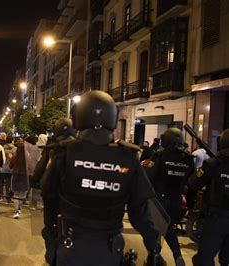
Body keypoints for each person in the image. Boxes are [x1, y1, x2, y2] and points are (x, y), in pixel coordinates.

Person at [43, 91, 165, 265]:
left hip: (70, 247)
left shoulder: (64, 152)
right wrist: (153, 248)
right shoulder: (128, 157)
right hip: (109, 251)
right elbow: (140, 212)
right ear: (113, 120)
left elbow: (49, 197)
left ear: (78, 119)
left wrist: (49, 237)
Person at [142, 128, 195, 266]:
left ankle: (154, 257)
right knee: (169, 227)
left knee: (154, 229)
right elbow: (192, 182)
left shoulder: (160, 155)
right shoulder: (188, 159)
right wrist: (190, 204)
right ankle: (177, 255)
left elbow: (147, 176)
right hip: (176, 200)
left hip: (158, 199)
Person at [31, 117, 75, 264]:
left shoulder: (52, 148)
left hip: (52, 198)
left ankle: (52, 257)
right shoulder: (80, 147)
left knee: (49, 229)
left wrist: (34, 182)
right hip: (73, 201)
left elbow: (38, 171)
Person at [189, 129, 229, 266]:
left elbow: (193, 183)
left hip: (216, 219)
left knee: (204, 259)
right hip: (217, 216)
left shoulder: (213, 164)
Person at [9, 137, 28, 218]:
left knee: (16, 194)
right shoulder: (27, 158)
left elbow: (10, 166)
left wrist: (11, 158)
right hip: (24, 176)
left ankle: (16, 211)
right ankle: (19, 208)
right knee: (22, 194)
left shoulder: (14, 157)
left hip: (15, 175)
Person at [0, 134, 15, 204]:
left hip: (2, 168)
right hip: (11, 169)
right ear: (12, 140)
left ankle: (1, 197)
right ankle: (8, 199)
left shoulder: (2, 148)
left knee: (0, 183)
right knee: (8, 184)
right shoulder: (15, 149)